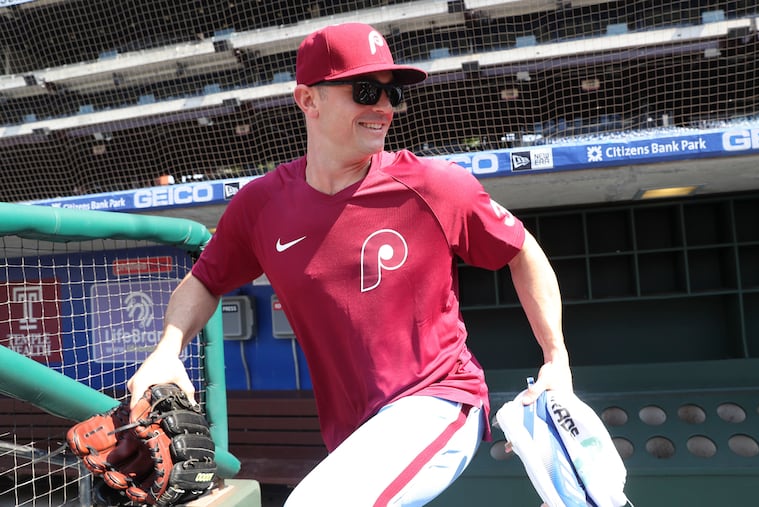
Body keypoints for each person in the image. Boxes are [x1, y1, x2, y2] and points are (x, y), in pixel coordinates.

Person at [128, 22, 573, 506]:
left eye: (392, 94)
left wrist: (556, 358)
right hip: (352, 430)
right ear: (307, 100)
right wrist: (168, 349)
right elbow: (204, 281)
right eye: (365, 90)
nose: (383, 107)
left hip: (440, 400)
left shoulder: (436, 186)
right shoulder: (261, 205)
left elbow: (521, 249)